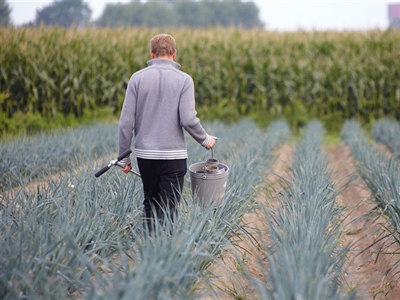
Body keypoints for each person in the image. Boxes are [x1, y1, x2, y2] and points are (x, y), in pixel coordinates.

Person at [117, 33, 216, 232]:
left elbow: (126, 123)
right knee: (169, 210)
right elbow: (188, 119)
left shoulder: (137, 78)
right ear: (174, 53)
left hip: (146, 156)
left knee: (150, 205)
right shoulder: (184, 80)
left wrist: (123, 159)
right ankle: (166, 255)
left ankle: (150, 253)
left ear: (152, 54)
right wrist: (205, 140)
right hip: (174, 158)